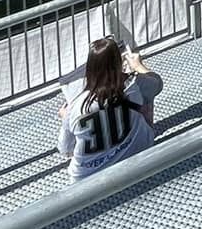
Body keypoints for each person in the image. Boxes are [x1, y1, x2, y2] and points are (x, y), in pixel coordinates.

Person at [58, 37, 163, 181]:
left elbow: (65, 149)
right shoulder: (134, 86)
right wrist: (138, 66)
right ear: (119, 63)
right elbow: (157, 83)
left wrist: (66, 119)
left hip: (86, 177)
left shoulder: (75, 108)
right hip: (136, 152)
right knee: (147, 95)